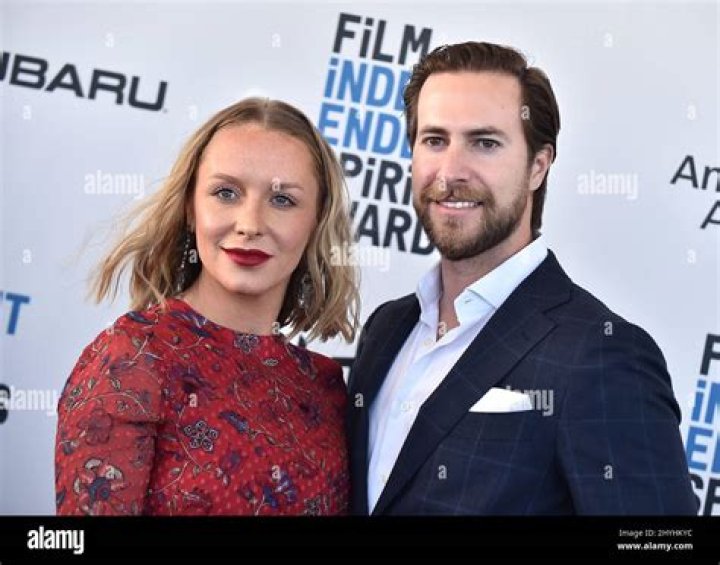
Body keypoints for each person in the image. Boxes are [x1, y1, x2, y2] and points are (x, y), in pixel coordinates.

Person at [347, 42, 697, 515]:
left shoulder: (601, 353)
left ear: (537, 166)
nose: (451, 172)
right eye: (434, 140)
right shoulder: (386, 329)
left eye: (485, 143)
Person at [55, 97, 359, 515]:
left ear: (317, 221)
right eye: (225, 193)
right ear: (190, 207)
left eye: (282, 200)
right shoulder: (131, 357)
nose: (250, 224)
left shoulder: (324, 387)